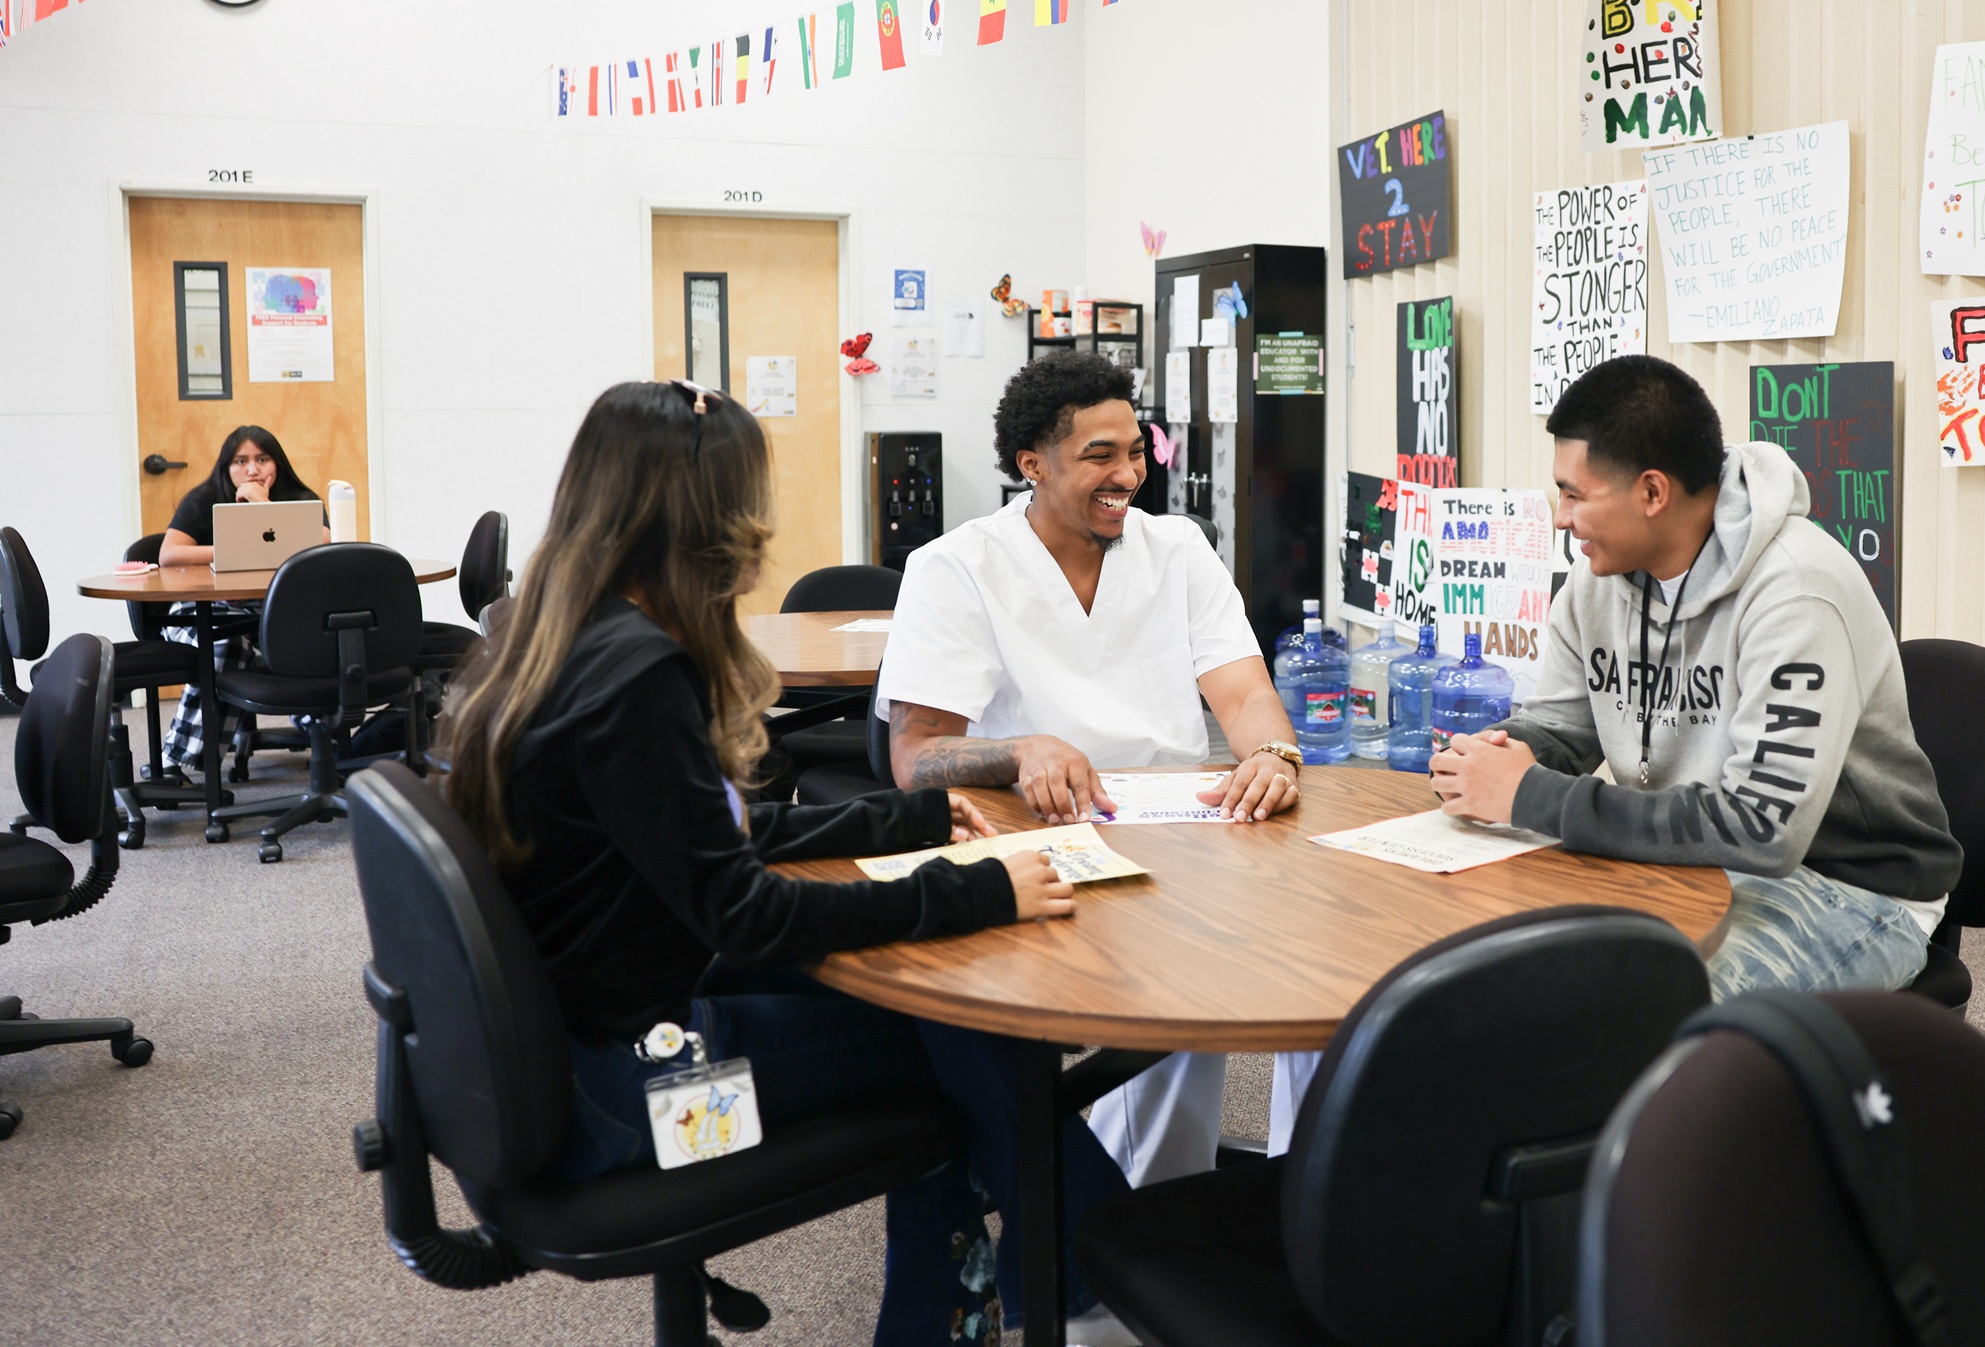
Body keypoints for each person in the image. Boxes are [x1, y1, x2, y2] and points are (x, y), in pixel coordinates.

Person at [439, 380, 1127, 1346]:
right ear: (708, 519)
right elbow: (747, 913)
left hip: (576, 1049)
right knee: (967, 1048)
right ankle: (1104, 1265)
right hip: (638, 1105)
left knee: (947, 1022)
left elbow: (701, 835)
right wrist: (975, 886)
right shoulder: (638, 675)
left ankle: (1059, 1279)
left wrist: (904, 818)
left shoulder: (562, 636)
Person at [876, 351, 1312, 1187]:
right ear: (1033, 464)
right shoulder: (957, 567)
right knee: (1170, 1000)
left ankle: (1285, 1206)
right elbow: (916, 755)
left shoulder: (1177, 547)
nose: (1128, 476)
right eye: (1099, 456)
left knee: (1308, 972)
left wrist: (1271, 752)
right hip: (1038, 841)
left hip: (1188, 836)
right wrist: (1020, 750)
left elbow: (1245, 691)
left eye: (1136, 451)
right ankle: (1120, 1221)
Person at [1430, 355, 1962, 1000]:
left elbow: (1763, 830)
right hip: (1692, 858)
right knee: (1499, 961)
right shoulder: (1595, 582)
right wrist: (1495, 757)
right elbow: (1561, 730)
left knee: (1649, 1007)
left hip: (1849, 886)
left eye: (1575, 494)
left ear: (1653, 493)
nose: (1561, 517)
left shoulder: (1797, 591)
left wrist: (1531, 795)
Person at [155, 426, 329, 771]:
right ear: (227, 467)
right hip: (201, 612)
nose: (252, 470)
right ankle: (181, 762)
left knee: (305, 641)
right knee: (226, 646)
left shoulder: (299, 498)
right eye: (241, 461)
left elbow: (322, 543)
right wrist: (232, 549)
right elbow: (168, 555)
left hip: (270, 613)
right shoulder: (203, 498)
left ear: (277, 464)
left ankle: (320, 732)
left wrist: (262, 506)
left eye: (262, 459)